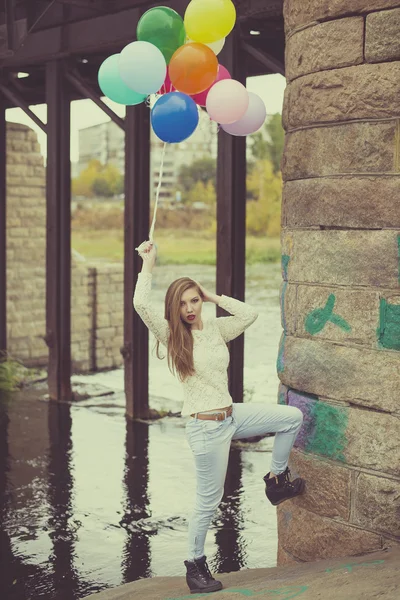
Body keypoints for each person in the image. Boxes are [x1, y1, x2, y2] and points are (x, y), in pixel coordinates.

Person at [133, 241, 305, 595]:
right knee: (208, 500)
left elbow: (249, 315)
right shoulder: (171, 335)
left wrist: (212, 296)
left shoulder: (214, 329)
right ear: (174, 308)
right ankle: (195, 566)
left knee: (291, 417)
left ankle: (276, 480)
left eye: (193, 300)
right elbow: (139, 303)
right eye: (183, 303)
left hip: (232, 415)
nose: (190, 308)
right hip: (205, 427)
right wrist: (148, 265)